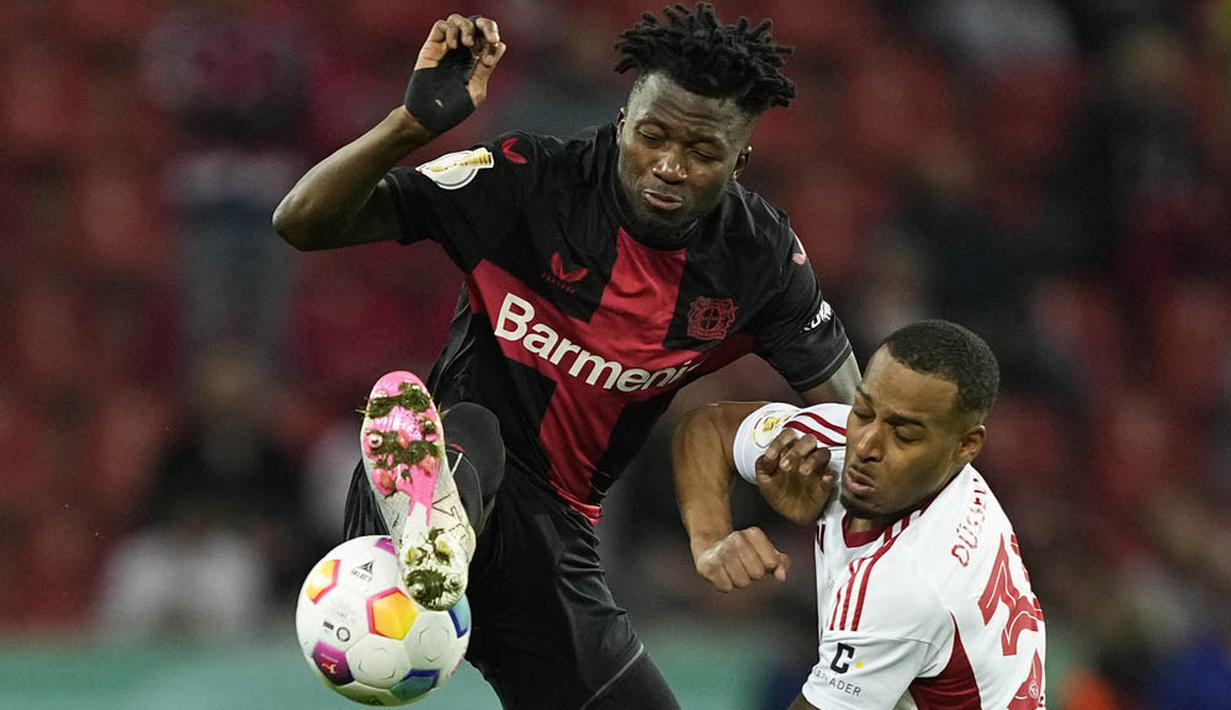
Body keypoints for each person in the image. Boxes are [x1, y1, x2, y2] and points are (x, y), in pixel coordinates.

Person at [273, 4, 859, 708]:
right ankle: (437, 544)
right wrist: (412, 127)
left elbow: (850, 416)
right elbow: (301, 223)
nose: (668, 166)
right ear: (621, 126)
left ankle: (449, 567)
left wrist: (815, 479)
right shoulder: (525, 179)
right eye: (651, 137)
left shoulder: (756, 259)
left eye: (703, 153)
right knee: (471, 428)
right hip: (441, 466)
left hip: (555, 545)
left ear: (740, 161)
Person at [672, 320, 1046, 708]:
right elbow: (707, 428)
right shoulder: (842, 447)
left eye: (905, 435)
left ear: (967, 444)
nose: (865, 445)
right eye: (864, 412)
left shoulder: (909, 582)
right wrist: (712, 540)